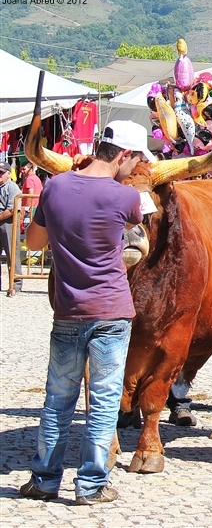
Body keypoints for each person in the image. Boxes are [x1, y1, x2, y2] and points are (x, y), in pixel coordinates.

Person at [20, 119, 149, 504]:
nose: (136, 168)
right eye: (136, 159)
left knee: (58, 399)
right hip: (111, 311)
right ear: (123, 154)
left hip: (67, 310)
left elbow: (33, 242)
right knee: (105, 401)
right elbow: (135, 226)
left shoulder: (55, 187)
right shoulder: (124, 197)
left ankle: (44, 480)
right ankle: (91, 486)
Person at [0, 161, 23, 296]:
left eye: (2, 173)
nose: (0, 175)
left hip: (8, 223)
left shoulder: (12, 187)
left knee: (12, 254)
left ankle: (15, 284)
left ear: (8, 174)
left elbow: (12, 209)